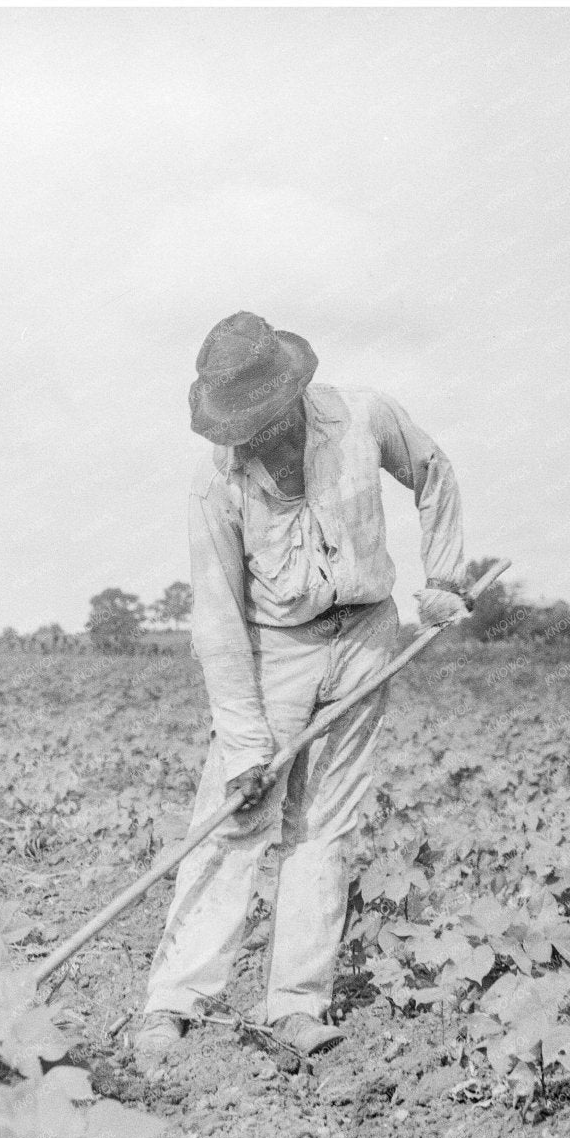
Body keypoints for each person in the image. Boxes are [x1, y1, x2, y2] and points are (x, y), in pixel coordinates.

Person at [133, 312, 470, 1073]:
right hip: (273, 648)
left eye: (254, 422)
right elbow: (218, 619)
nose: (243, 438)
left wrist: (444, 577)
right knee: (233, 817)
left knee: (325, 823)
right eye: (232, 426)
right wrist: (249, 743)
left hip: (364, 636)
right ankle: (173, 1003)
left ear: (289, 397)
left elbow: (435, 473)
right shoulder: (215, 481)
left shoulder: (364, 418)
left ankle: (295, 1004)